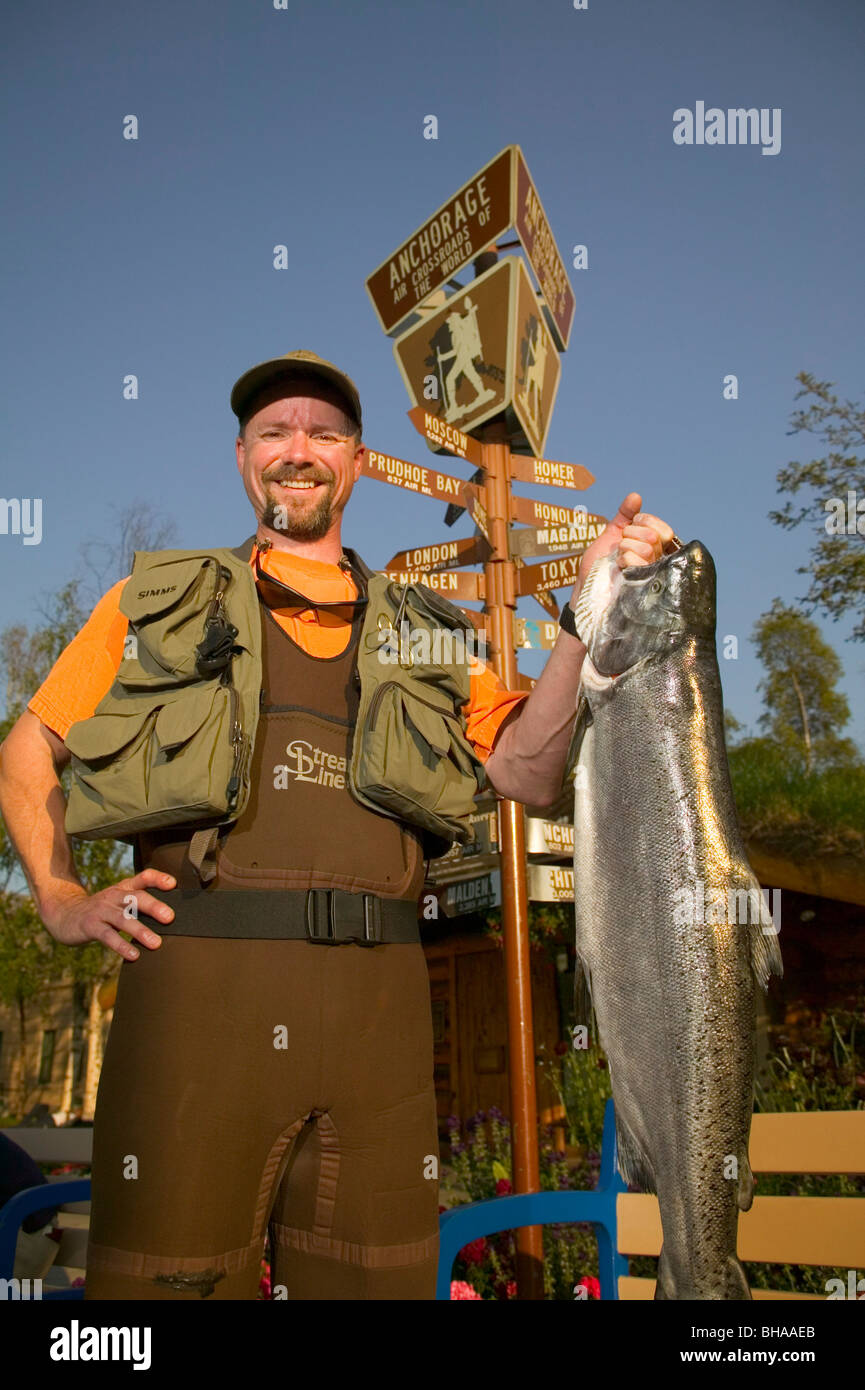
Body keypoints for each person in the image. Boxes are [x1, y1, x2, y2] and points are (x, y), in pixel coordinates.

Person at [0, 349, 676, 1300]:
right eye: (275, 431)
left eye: (323, 433)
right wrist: (61, 897)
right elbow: (26, 748)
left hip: (381, 1032)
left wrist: (584, 608)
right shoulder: (155, 604)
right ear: (242, 458)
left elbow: (527, 769)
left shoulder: (424, 631)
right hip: (196, 1024)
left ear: (356, 464)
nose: (298, 450)